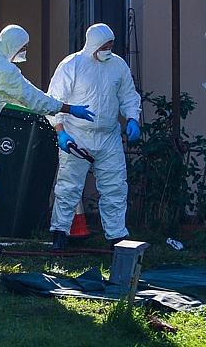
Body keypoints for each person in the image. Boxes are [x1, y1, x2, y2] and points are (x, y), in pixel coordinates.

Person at [0, 24, 96, 254]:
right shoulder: (5, 71)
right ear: (14, 45)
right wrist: (66, 108)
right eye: (23, 47)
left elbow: (14, 97)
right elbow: (31, 98)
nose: (24, 52)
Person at [47, 23, 141, 250]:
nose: (108, 49)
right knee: (68, 187)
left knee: (115, 187)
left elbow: (128, 95)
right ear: (93, 44)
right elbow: (54, 101)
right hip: (76, 135)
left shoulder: (118, 65)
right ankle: (60, 233)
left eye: (111, 45)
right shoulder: (72, 65)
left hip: (108, 136)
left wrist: (132, 119)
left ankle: (117, 237)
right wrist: (61, 132)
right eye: (104, 45)